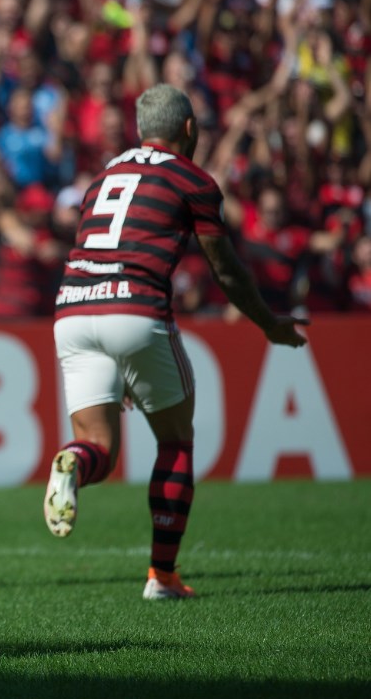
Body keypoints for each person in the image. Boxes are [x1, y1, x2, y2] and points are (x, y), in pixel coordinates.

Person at [43, 84, 309, 599]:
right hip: (135, 309)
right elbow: (225, 270)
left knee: (99, 446)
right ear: (189, 128)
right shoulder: (193, 179)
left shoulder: (103, 176)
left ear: (143, 127)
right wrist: (267, 322)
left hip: (73, 310)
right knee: (175, 441)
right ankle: (162, 577)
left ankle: (72, 461)